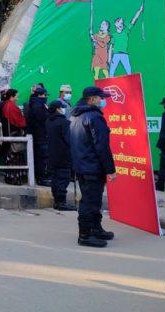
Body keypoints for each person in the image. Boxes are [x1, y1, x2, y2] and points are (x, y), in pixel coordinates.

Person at [70, 86, 116, 248]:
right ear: (92, 99)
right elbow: (102, 146)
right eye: (100, 98)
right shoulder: (94, 117)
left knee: (94, 200)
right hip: (92, 166)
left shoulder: (76, 115)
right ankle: (85, 235)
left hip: (82, 165)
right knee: (90, 202)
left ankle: (96, 229)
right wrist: (110, 169)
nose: (103, 101)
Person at [46, 100, 75, 211]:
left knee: (55, 179)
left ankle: (57, 201)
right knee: (63, 178)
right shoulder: (64, 122)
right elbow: (69, 140)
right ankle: (61, 202)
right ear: (57, 109)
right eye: (61, 108)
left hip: (51, 154)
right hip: (63, 155)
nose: (63, 109)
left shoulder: (48, 121)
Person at [0, 89, 28, 185]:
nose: (18, 97)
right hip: (14, 134)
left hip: (9, 134)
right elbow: (18, 121)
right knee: (16, 157)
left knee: (11, 157)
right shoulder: (12, 107)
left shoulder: (6, 105)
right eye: (16, 95)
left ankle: (11, 178)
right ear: (12, 96)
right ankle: (16, 179)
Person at [108, 5, 144, 77]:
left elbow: (133, 20)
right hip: (116, 55)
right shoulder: (114, 35)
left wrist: (139, 11)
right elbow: (111, 47)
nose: (120, 24)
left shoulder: (125, 32)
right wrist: (109, 58)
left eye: (122, 23)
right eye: (119, 22)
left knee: (129, 72)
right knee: (111, 72)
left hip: (124, 55)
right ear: (115, 24)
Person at [25, 86, 50, 185]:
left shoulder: (32, 104)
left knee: (38, 157)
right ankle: (41, 178)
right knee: (41, 157)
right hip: (40, 135)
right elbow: (42, 120)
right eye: (45, 95)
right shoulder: (38, 106)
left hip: (36, 135)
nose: (46, 97)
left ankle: (39, 176)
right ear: (40, 95)